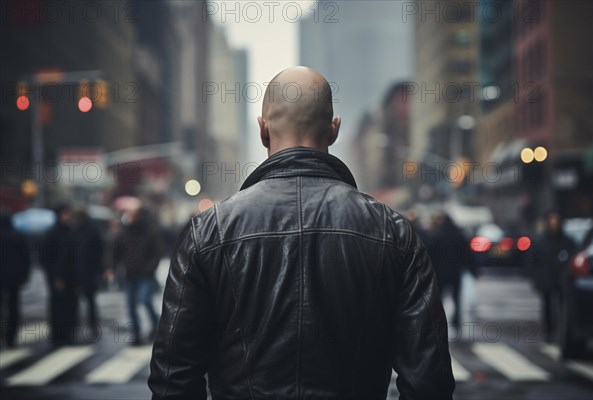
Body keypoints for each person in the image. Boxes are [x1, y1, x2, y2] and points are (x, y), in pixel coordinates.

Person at [149, 67, 455, 399]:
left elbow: (173, 379)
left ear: (263, 131)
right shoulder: (393, 232)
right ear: (334, 129)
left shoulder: (208, 232)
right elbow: (429, 381)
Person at [111, 206, 163, 345]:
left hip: (145, 275)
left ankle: (156, 326)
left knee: (145, 300)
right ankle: (136, 334)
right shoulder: (124, 231)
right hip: (129, 274)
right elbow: (115, 251)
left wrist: (150, 268)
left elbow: (157, 252)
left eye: (133, 214)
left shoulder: (149, 231)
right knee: (131, 305)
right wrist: (111, 268)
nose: (130, 217)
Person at [531, 210, 576, 341]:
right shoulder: (541, 241)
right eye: (551, 220)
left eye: (556, 221)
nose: (554, 223)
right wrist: (535, 276)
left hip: (562, 278)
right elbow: (533, 260)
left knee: (564, 306)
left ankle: (562, 331)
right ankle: (549, 332)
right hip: (546, 278)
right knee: (547, 306)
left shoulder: (567, 241)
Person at [41, 203, 79, 345]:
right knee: (58, 305)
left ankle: (69, 333)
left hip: (71, 276)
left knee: (70, 305)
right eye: (65, 214)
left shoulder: (71, 231)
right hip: (57, 276)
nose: (67, 217)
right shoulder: (52, 233)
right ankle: (58, 333)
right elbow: (46, 257)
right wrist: (55, 276)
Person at [428, 213, 472, 327]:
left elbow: (432, 253)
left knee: (439, 297)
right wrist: (469, 268)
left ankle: (437, 319)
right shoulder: (459, 235)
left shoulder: (438, 235)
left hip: (441, 272)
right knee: (456, 297)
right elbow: (466, 253)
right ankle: (457, 319)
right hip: (455, 272)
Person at [0, 210, 31, 348]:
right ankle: (11, 337)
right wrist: (25, 276)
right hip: (14, 278)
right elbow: (26, 259)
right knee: (13, 308)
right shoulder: (18, 236)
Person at [72, 207, 104, 328]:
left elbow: (98, 251)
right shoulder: (75, 230)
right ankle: (79, 325)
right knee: (77, 301)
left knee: (89, 300)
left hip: (88, 271)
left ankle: (92, 324)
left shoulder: (91, 230)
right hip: (79, 270)